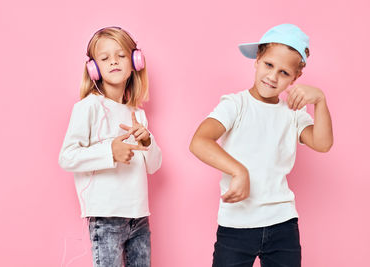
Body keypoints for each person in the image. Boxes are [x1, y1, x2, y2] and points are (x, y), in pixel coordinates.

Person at [189, 24, 333, 267]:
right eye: (269, 65)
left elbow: (323, 143)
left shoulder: (293, 112)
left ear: (295, 78)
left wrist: (319, 100)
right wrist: (239, 171)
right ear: (257, 60)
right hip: (236, 225)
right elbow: (199, 142)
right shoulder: (235, 105)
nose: (273, 76)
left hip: (283, 224)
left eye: (284, 72)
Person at [59, 27, 162, 267]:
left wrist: (147, 141)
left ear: (135, 61)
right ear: (94, 68)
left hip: (139, 217)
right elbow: (67, 157)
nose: (114, 61)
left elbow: (154, 167)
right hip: (106, 218)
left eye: (121, 56)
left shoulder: (138, 114)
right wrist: (109, 152)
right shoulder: (88, 107)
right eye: (105, 58)